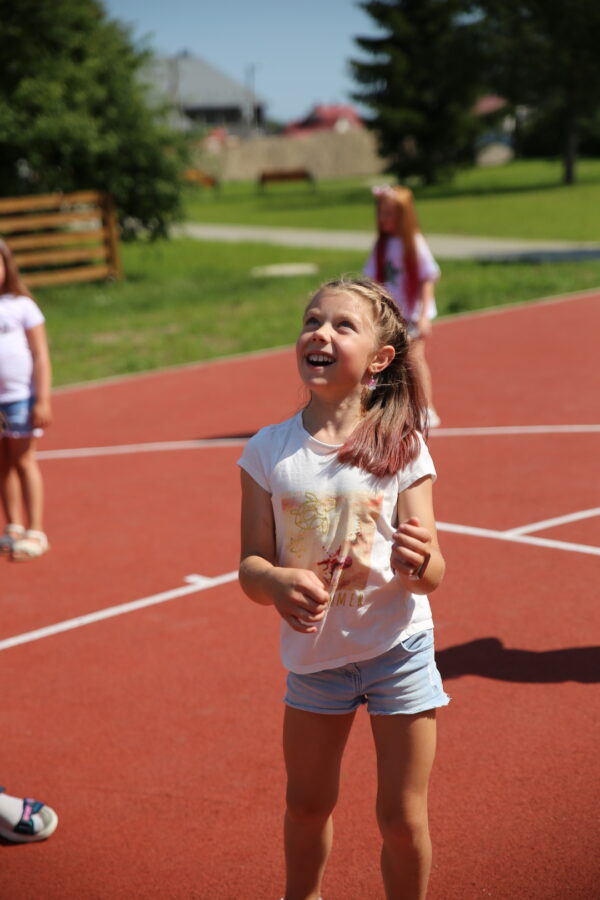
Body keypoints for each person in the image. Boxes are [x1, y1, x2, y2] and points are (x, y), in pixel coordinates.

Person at [238, 277, 448, 900]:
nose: (320, 334)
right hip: (315, 662)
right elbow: (250, 566)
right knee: (306, 806)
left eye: (342, 325)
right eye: (311, 321)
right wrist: (274, 581)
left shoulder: (402, 444)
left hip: (398, 652)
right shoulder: (267, 451)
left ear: (379, 360)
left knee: (401, 819)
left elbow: (433, 570)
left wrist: (419, 563)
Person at [364, 184, 442, 427]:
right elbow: (371, 280)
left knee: (414, 359)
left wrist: (423, 315)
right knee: (380, 360)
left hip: (411, 315)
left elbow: (428, 277)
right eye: (380, 213)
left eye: (388, 213)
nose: (383, 218)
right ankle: (381, 407)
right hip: (389, 315)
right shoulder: (382, 246)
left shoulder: (414, 243)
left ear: (403, 215)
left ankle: (426, 407)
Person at [0, 238, 52, 560]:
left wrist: (42, 398)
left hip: (20, 398)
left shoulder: (22, 305)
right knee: (2, 464)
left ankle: (35, 530)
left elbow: (41, 354)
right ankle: (13, 525)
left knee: (23, 460)